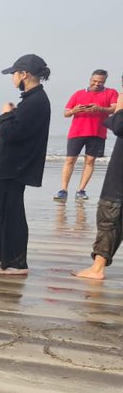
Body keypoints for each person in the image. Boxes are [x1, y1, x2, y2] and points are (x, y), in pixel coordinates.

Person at [0, 54, 52, 277]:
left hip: (15, 167)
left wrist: (5, 115)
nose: (12, 77)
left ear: (25, 74)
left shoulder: (37, 101)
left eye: (14, 73)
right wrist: (1, 129)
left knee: (11, 213)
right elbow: (18, 131)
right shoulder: (30, 100)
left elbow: (16, 134)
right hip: (8, 164)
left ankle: (16, 263)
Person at [74, 96, 123, 280]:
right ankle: (97, 267)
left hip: (119, 178)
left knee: (109, 217)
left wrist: (120, 105)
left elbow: (118, 126)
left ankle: (97, 269)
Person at [54, 70, 118, 202]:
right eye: (94, 81)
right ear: (90, 79)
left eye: (101, 82)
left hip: (98, 133)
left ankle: (81, 190)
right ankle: (63, 190)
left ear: (105, 81)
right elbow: (66, 113)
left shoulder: (111, 92)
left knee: (90, 161)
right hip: (77, 132)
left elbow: (115, 109)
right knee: (70, 160)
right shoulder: (78, 93)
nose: (97, 84)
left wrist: (99, 109)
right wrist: (74, 110)